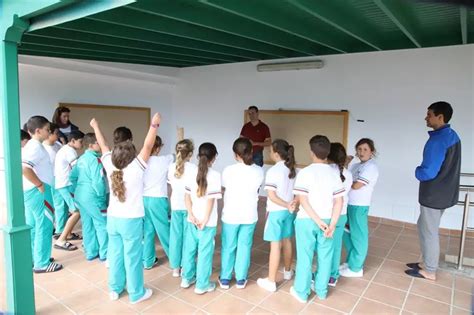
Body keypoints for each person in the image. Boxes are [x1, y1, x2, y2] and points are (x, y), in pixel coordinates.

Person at [92, 114, 161, 304]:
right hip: (131, 221)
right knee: (132, 257)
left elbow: (104, 145)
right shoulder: (136, 168)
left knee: (115, 254)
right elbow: (148, 146)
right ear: (132, 155)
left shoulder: (109, 165)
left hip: (113, 219)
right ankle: (136, 293)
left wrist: (96, 126)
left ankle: (114, 289)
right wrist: (154, 125)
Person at [405, 101, 461, 281]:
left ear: (440, 117)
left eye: (429, 115)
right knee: (423, 226)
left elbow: (428, 172)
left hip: (434, 195)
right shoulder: (452, 135)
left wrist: (416, 171)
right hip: (444, 192)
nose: (426, 118)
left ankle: (430, 270)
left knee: (429, 231)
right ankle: (426, 262)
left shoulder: (438, 140)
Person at [290, 135, 344, 303]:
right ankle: (321, 290)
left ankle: (302, 292)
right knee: (325, 256)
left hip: (306, 220)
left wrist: (317, 220)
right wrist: (332, 224)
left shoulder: (305, 173)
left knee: (305, 257)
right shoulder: (334, 174)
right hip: (328, 221)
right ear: (328, 153)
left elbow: (303, 201)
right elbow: (339, 201)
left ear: (311, 152)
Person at [219, 138, 264, 290]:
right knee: (244, 246)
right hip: (249, 214)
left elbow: (224, 188)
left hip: (231, 214)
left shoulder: (228, 170)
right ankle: (241, 279)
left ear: (235, 154)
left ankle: (225, 278)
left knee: (228, 246)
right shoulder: (259, 170)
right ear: (251, 151)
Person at [22, 116, 63, 273]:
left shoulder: (31, 146)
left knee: (34, 226)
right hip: (38, 191)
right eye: (47, 129)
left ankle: (35, 257)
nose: (49, 132)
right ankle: (42, 263)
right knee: (44, 225)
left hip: (30, 191)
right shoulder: (35, 147)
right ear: (38, 131)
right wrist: (39, 184)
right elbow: (25, 168)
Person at [181, 142, 222, 295]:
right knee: (205, 252)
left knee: (189, 250)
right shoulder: (216, 175)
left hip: (192, 219)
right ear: (214, 157)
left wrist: (191, 215)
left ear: (198, 156)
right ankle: (202, 285)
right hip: (207, 222)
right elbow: (210, 201)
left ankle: (186, 278)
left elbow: (186, 197)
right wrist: (205, 220)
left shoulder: (190, 172)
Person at [257, 139, 297, 292]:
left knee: (275, 245)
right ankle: (287, 272)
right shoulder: (291, 170)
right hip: (289, 212)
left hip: (276, 212)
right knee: (287, 240)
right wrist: (289, 205)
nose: (269, 152)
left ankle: (271, 281)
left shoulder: (273, 171)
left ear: (276, 153)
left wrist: (286, 204)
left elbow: (272, 197)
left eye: (271, 150)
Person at [340, 138, 379, 278]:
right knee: (347, 234)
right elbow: (343, 178)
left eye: (365, 149)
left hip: (359, 205)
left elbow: (356, 185)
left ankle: (356, 268)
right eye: (359, 149)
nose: (361, 152)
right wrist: (346, 163)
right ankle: (351, 262)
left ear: (371, 152)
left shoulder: (371, 167)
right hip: (348, 204)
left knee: (358, 236)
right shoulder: (355, 165)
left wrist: (348, 182)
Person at [71, 133, 108, 261]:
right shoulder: (95, 160)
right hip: (93, 196)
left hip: (80, 196)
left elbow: (72, 177)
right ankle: (105, 254)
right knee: (101, 224)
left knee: (87, 225)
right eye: (98, 143)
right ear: (91, 145)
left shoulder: (81, 158)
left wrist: (79, 189)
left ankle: (91, 252)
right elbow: (98, 181)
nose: (101, 144)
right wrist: (102, 196)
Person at [142, 136, 174, 269]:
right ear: (159, 147)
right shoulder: (164, 160)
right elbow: (176, 155)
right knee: (164, 231)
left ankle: (148, 261)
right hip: (158, 200)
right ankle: (176, 261)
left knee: (148, 231)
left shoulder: (141, 160)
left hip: (144, 199)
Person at [167, 139, 196, 277]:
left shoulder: (171, 167)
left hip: (175, 206)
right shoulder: (194, 169)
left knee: (175, 237)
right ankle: (186, 266)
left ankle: (175, 268)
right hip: (190, 207)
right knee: (188, 237)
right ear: (190, 153)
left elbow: (170, 186)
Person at [53, 130, 85, 250]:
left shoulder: (64, 149)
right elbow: (77, 170)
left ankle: (68, 234)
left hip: (61, 183)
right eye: (80, 142)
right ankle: (61, 240)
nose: (82, 144)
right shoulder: (70, 152)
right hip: (67, 184)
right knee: (77, 211)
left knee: (69, 210)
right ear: (72, 141)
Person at [327, 143, 353, 287]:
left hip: (327, 213)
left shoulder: (327, 171)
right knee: (336, 246)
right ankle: (333, 276)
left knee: (324, 246)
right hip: (342, 213)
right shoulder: (347, 174)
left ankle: (322, 274)